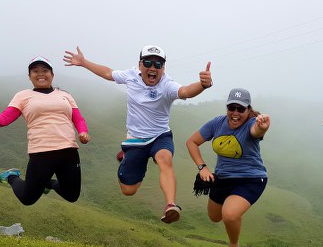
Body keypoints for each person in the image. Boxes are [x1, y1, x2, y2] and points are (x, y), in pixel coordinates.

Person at [63, 45, 213, 223]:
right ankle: (126, 156)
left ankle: (171, 205)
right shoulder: (131, 76)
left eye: (158, 64)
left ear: (163, 69)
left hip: (160, 136)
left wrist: (203, 85)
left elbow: (185, 91)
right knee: (128, 190)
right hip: (136, 140)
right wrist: (84, 62)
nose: (152, 68)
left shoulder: (167, 85)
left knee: (165, 159)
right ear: (140, 65)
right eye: (148, 62)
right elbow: (108, 73)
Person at [0, 56, 90, 205]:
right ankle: (11, 176)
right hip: (41, 153)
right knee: (28, 199)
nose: (40, 73)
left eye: (45, 70)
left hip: (68, 151)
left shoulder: (65, 95)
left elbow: (78, 119)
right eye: (35, 71)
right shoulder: (23, 96)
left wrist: (82, 132)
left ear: (52, 75)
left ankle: (49, 183)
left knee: (71, 195)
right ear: (29, 76)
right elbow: (3, 120)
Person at [186, 88, 270, 247]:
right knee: (215, 217)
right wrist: (203, 168)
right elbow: (191, 142)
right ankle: (234, 212)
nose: (235, 113)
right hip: (222, 178)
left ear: (248, 110)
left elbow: (257, 131)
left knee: (229, 215)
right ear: (227, 108)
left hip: (251, 178)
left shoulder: (250, 124)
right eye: (232, 108)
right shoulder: (217, 123)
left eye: (241, 109)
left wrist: (262, 127)